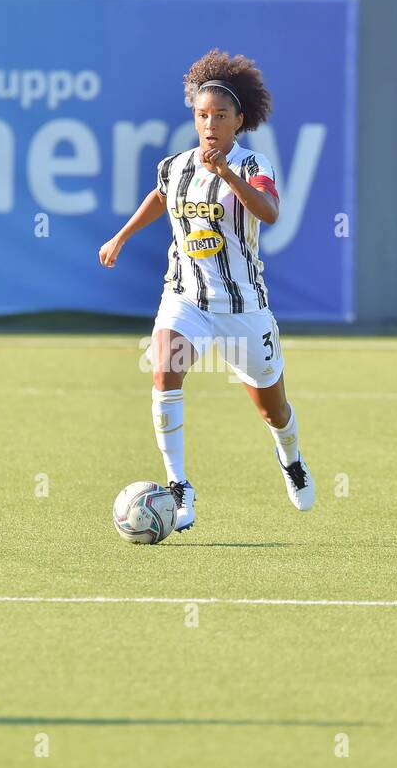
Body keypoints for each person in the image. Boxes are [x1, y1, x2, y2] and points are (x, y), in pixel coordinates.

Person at [98, 48, 314, 532]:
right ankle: (178, 486)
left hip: (243, 308)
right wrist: (121, 236)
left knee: (273, 409)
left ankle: (291, 458)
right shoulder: (176, 166)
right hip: (186, 297)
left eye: (220, 115)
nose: (210, 124)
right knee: (164, 371)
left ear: (239, 119)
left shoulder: (254, 164)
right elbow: (160, 196)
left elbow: (270, 212)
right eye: (202, 115)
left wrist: (228, 175)